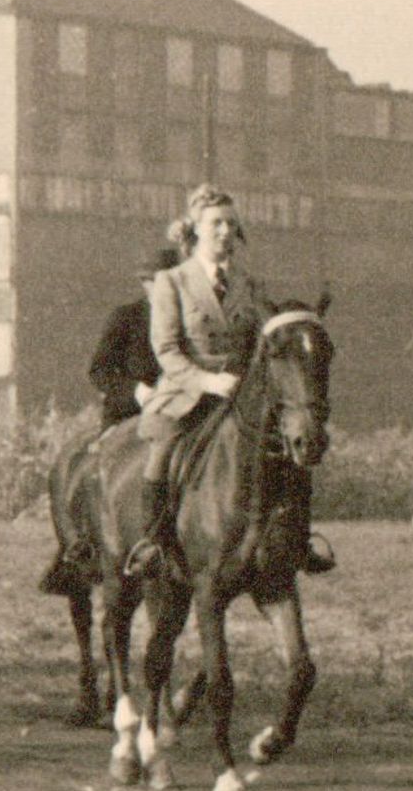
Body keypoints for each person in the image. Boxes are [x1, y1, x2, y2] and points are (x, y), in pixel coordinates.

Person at [123, 185, 333, 579]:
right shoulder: (172, 281)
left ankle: (300, 541)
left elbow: (265, 340)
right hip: (186, 392)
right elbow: (166, 350)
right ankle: (153, 543)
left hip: (240, 391)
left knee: (289, 451)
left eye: (231, 225)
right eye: (216, 223)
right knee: (164, 449)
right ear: (196, 229)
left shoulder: (251, 285)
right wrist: (207, 381)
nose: (225, 232)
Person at [89, 246, 179, 428]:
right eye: (156, 281)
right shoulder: (126, 318)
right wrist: (137, 391)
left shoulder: (189, 322)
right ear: (145, 283)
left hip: (178, 414)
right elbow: (98, 371)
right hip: (130, 416)